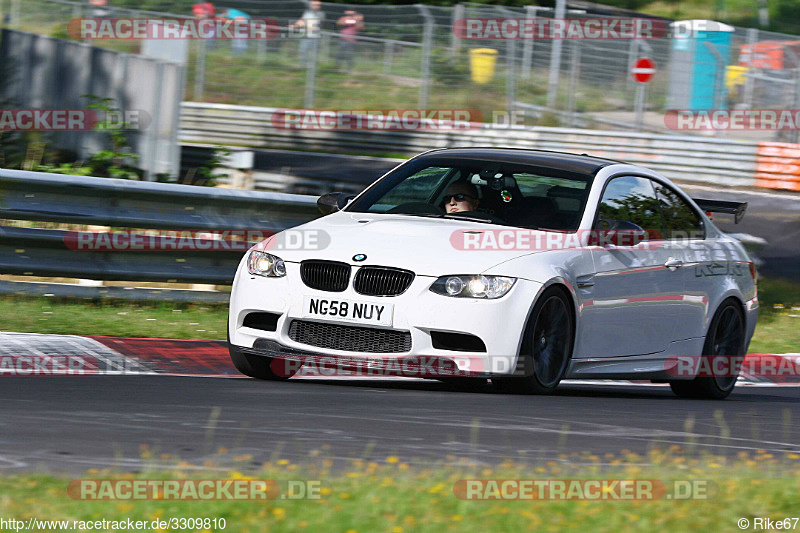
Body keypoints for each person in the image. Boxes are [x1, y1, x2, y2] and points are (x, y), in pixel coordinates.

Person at [290, 0, 325, 68]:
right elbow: (302, 21)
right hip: (307, 35)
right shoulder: (308, 13)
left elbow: (315, 23)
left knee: (313, 52)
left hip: (315, 36)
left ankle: (312, 67)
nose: (315, 6)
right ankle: (304, 65)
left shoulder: (320, 13)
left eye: (317, 5)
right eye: (313, 5)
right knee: (302, 50)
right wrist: (294, 26)